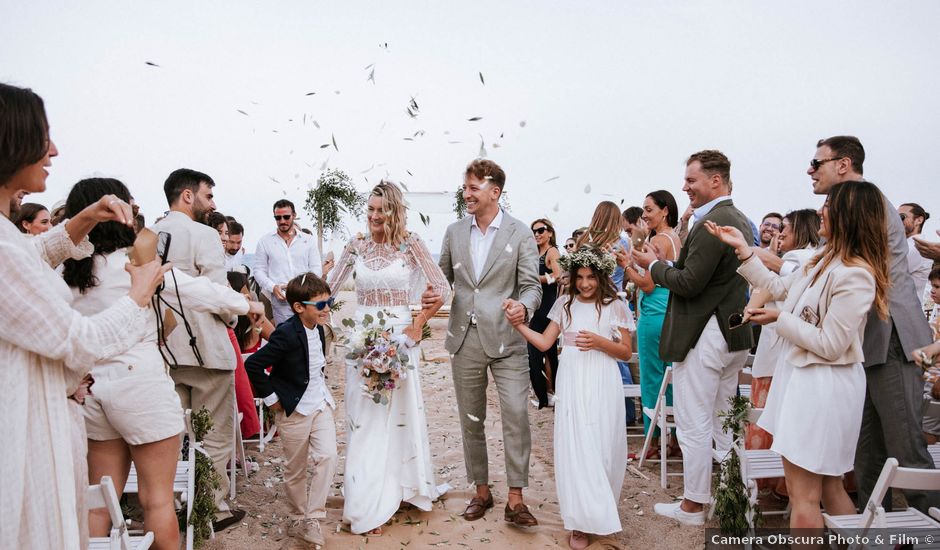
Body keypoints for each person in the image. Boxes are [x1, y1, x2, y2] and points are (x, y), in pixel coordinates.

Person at [0, 82, 169, 549]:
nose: (53, 150)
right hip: (29, 428)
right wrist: (138, 296)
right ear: (10, 140)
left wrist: (84, 219)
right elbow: (80, 341)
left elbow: (33, 254)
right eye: (42, 136)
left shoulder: (9, 240)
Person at [62, 177, 259, 549]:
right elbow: (197, 291)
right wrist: (246, 304)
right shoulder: (134, 265)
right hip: (140, 386)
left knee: (99, 506)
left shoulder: (68, 273)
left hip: (91, 390)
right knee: (158, 500)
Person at [706, 180, 890, 530]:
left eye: (829, 206)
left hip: (824, 385)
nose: (821, 210)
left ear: (848, 216)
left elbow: (831, 343)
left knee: (804, 492)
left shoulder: (856, 275)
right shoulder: (823, 260)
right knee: (827, 485)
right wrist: (744, 251)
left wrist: (779, 319)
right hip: (803, 380)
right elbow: (775, 288)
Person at [807, 136, 937, 513]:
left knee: (906, 449)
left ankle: (931, 531)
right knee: (867, 454)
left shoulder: (867, 201)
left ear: (843, 164)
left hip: (892, 335)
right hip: (868, 343)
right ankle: (875, 533)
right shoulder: (852, 202)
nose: (810, 170)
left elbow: (848, 264)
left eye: (817, 163)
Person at [633, 150, 753, 525]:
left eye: (691, 180)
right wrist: (667, 263)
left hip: (706, 333)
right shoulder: (739, 218)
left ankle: (693, 504)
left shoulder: (714, 221)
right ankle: (733, 498)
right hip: (733, 336)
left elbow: (689, 283)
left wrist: (653, 266)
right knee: (722, 422)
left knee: (694, 422)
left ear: (715, 181)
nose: (684, 187)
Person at [326, 181, 449, 534]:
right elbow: (328, 291)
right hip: (362, 339)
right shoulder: (356, 245)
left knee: (398, 418)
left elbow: (441, 287)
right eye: (370, 209)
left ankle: (401, 490)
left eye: (382, 209)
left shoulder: (411, 245)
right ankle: (367, 501)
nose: (375, 216)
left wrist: (418, 325)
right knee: (364, 419)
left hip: (398, 340)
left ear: (395, 211)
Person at [428, 158, 542, 525]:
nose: (466, 194)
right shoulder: (453, 232)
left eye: (473, 188)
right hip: (464, 340)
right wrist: (432, 295)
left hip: (508, 340)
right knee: (471, 419)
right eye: (465, 187)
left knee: (516, 415)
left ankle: (515, 498)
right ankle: (481, 492)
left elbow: (531, 286)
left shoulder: (521, 233)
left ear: (495, 191)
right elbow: (443, 281)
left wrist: (523, 307)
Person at [510, 247, 633, 549]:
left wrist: (601, 342)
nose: (586, 284)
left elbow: (626, 352)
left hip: (603, 380)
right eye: (580, 278)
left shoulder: (614, 305)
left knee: (602, 445)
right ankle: (580, 521)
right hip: (573, 380)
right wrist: (520, 326)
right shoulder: (564, 304)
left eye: (591, 277)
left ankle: (600, 509)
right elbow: (544, 343)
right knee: (577, 447)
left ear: (601, 276)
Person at [150, 168, 246, 531]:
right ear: (187, 196)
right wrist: (234, 319)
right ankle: (211, 508)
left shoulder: (150, 234)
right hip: (205, 348)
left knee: (174, 435)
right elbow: (217, 294)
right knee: (214, 434)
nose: (213, 204)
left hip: (164, 351)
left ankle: (175, 504)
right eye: (208, 195)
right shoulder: (205, 235)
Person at [244, 273, 338, 547]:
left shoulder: (319, 329)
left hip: (320, 404)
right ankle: (298, 517)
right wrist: (273, 400)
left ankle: (314, 516)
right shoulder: (285, 334)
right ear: (299, 307)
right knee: (295, 468)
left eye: (328, 302)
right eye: (320, 304)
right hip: (294, 409)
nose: (327, 308)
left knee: (328, 456)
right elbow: (254, 366)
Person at [744, 208, 820, 496]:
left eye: (785, 227)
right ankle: (785, 486)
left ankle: (774, 482)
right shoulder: (812, 257)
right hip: (791, 350)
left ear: (800, 230)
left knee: (770, 417)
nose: (780, 233)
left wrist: (751, 253)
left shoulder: (794, 259)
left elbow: (762, 293)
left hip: (779, 350)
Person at [619, 190, 682, 459]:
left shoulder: (658, 240)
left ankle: (653, 443)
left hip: (654, 314)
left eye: (649, 209)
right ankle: (676, 440)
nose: (644, 215)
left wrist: (626, 266)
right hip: (671, 312)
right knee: (672, 380)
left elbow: (647, 284)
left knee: (651, 379)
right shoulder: (675, 238)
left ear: (664, 210)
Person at [577, 201, 637, 426]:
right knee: (619, 356)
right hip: (615, 301)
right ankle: (626, 413)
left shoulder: (585, 242)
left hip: (589, 303)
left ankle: (594, 407)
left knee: (593, 352)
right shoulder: (622, 243)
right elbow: (628, 275)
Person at [254, 199, 324, 325]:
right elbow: (258, 271)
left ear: (294, 216)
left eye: (286, 217)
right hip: (281, 301)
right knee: (286, 338)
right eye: (278, 218)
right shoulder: (264, 242)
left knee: (309, 335)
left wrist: (305, 287)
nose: (282, 221)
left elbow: (316, 268)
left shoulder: (308, 240)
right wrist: (272, 287)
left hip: (306, 298)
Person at [528, 218, 563, 408]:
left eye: (541, 230)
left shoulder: (552, 252)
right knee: (541, 353)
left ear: (550, 232)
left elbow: (558, 276)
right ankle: (547, 394)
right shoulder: (535, 253)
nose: (537, 234)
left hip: (547, 307)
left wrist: (537, 278)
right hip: (537, 307)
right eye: (534, 231)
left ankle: (548, 395)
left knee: (543, 353)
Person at [899, 202, 933, 303]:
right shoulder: (904, 245)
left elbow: (886, 273)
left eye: (901, 217)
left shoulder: (916, 246)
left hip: (905, 312)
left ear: (919, 220)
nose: (897, 221)